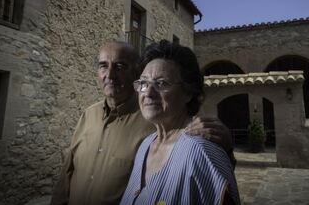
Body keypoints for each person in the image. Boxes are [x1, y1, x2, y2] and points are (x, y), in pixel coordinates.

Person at [50, 41, 234, 205]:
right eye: (103, 66)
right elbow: (68, 172)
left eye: (161, 83)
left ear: (188, 92)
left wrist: (224, 151)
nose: (110, 74)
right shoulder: (148, 143)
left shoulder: (193, 144)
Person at [120, 41, 240, 205]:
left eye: (161, 83)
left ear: (188, 92)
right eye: (143, 83)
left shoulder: (201, 150)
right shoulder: (145, 145)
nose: (148, 92)